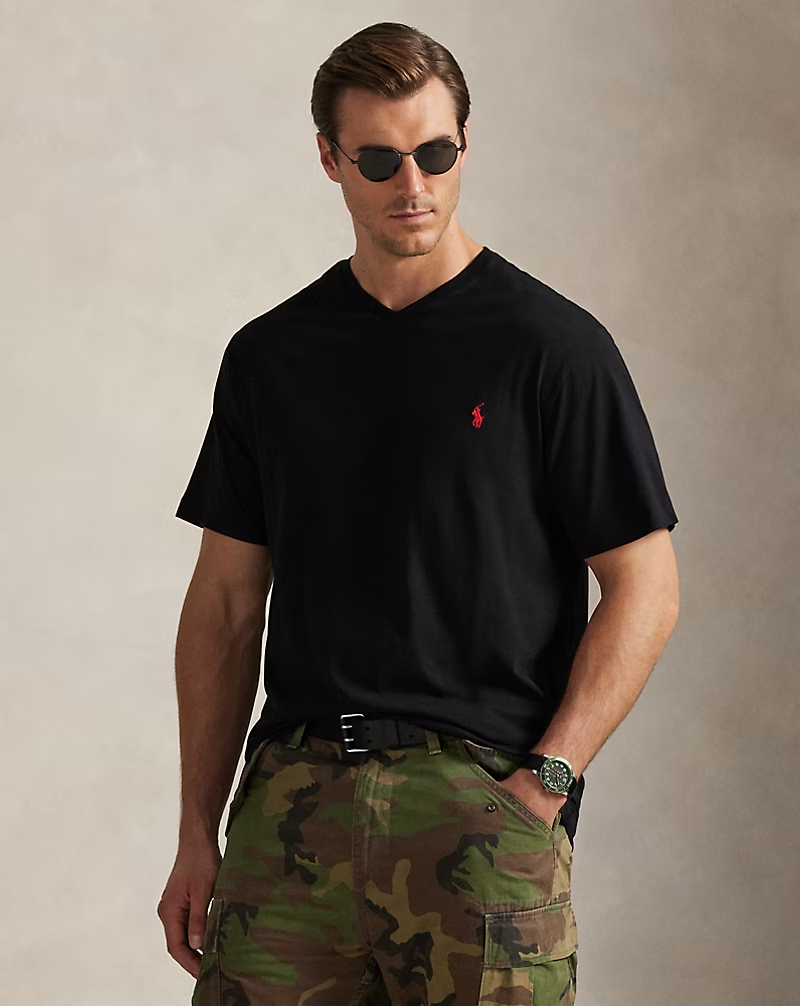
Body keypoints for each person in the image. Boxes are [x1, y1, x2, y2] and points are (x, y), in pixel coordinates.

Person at [157, 21, 680, 1006]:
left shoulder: (551, 349)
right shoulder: (272, 357)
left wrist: (548, 779)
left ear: (464, 145)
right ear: (329, 159)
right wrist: (197, 828)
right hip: (292, 812)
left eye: (436, 154)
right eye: (380, 159)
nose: (413, 184)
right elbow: (224, 605)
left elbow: (645, 585)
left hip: (479, 806)